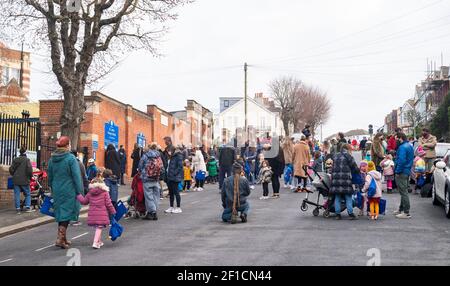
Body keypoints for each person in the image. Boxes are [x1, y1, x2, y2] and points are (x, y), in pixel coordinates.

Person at [47, 136, 83, 249]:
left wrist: (51, 187)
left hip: (57, 190)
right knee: (66, 213)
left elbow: (50, 176)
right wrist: (80, 191)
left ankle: (63, 238)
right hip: (69, 190)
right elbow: (76, 176)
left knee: (61, 213)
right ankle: (60, 239)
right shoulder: (71, 158)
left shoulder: (52, 159)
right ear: (67, 145)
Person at [76, 177, 116, 249]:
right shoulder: (104, 192)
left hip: (93, 215)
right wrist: (113, 211)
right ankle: (95, 243)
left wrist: (78, 196)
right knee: (99, 228)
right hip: (101, 214)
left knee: (98, 227)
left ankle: (99, 242)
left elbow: (84, 202)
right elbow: (108, 204)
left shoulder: (90, 193)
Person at [330, 144, 359, 220]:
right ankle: (351, 213)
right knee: (348, 197)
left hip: (335, 180)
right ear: (348, 149)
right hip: (345, 179)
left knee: (337, 197)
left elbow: (332, 168)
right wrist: (358, 172)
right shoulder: (348, 156)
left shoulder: (335, 156)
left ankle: (337, 214)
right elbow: (355, 167)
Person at [138, 143, 163, 220]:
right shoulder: (158, 156)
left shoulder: (145, 156)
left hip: (147, 178)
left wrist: (141, 172)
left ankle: (152, 212)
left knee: (149, 197)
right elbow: (162, 167)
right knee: (155, 196)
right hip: (155, 178)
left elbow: (140, 166)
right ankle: (152, 212)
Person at [394, 132, 414, 219]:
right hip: (407, 171)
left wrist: (397, 171)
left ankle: (406, 212)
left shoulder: (402, 147)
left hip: (402, 171)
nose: (396, 141)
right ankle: (401, 209)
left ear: (400, 138)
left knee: (403, 192)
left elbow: (401, 160)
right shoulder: (409, 145)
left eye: (396, 139)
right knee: (403, 191)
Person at [9, 146, 33, 214]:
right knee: (28, 193)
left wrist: (14, 174)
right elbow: (29, 170)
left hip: (16, 180)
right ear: (25, 152)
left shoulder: (15, 159)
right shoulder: (27, 160)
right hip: (24, 180)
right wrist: (30, 177)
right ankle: (28, 207)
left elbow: (11, 169)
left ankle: (18, 209)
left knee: (17, 194)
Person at [70, 150, 88, 226]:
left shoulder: (68, 163)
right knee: (77, 203)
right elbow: (84, 176)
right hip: (78, 185)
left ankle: (69, 219)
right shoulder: (80, 164)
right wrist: (86, 185)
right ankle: (74, 219)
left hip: (69, 185)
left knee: (70, 203)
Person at [165, 146, 184, 214]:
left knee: (176, 192)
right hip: (170, 177)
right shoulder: (172, 156)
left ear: (172, 150)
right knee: (171, 192)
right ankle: (171, 207)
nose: (168, 152)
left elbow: (180, 167)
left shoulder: (178, 156)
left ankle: (178, 207)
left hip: (175, 177)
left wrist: (174, 173)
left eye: (169, 151)